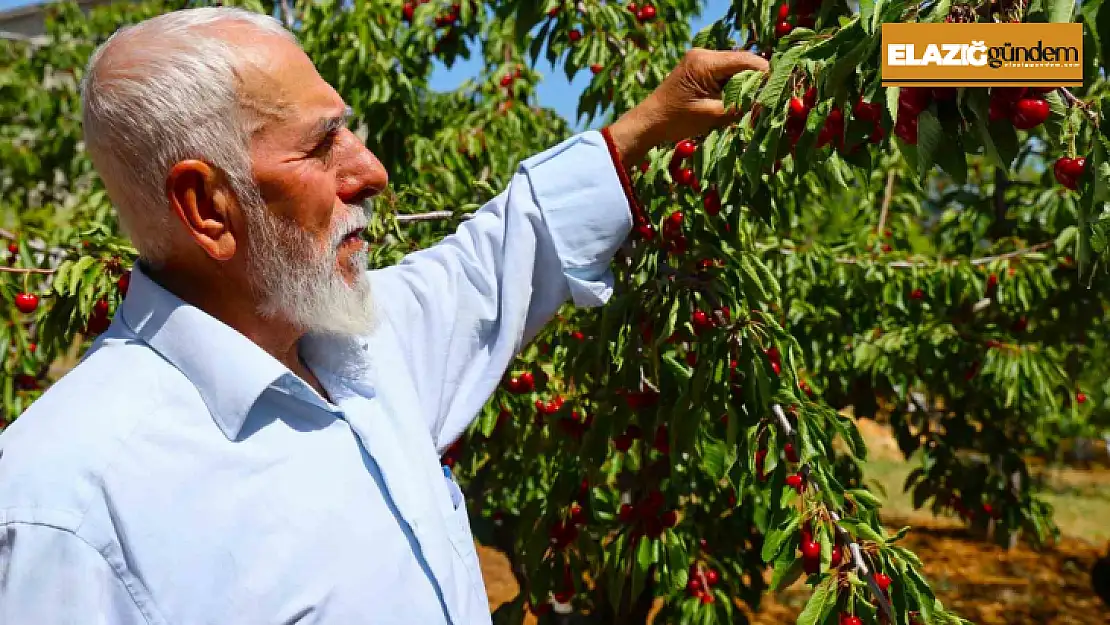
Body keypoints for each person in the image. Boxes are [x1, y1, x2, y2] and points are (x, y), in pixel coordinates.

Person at [0, 7, 767, 624]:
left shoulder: (361, 344)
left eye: (350, 128)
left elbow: (498, 253)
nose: (371, 169)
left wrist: (644, 127)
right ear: (208, 206)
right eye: (321, 144)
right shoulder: (64, 512)